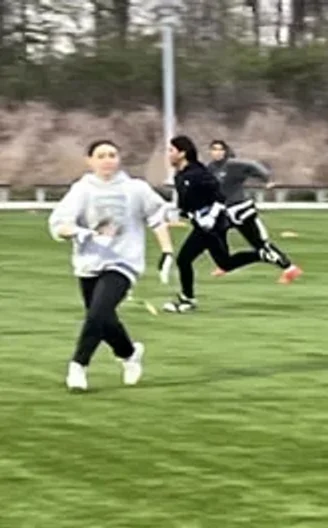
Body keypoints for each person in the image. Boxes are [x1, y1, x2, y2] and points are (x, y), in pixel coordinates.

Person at [48, 139, 175, 391]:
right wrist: (78, 232)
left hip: (123, 262)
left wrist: (167, 251)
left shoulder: (135, 189)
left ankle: (78, 366)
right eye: (101, 155)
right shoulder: (82, 190)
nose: (107, 160)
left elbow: (157, 217)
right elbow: (59, 224)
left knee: (97, 313)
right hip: (89, 262)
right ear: (90, 161)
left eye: (112, 154)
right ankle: (129, 353)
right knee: (103, 318)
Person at [162, 135, 263, 313]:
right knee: (225, 263)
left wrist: (210, 216)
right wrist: (175, 212)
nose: (168, 154)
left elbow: (218, 196)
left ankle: (187, 299)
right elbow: (186, 204)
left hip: (213, 226)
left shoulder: (198, 173)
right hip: (202, 225)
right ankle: (261, 254)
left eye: (171, 150)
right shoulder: (181, 176)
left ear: (182, 153)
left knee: (184, 259)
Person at [207, 139, 301, 284]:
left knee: (259, 243)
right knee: (216, 237)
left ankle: (289, 268)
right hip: (225, 212)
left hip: (241, 210)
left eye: (220, 149)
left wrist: (266, 179)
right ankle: (226, 264)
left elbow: (254, 166)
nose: (216, 152)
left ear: (225, 151)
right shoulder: (211, 168)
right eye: (214, 149)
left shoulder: (233, 165)